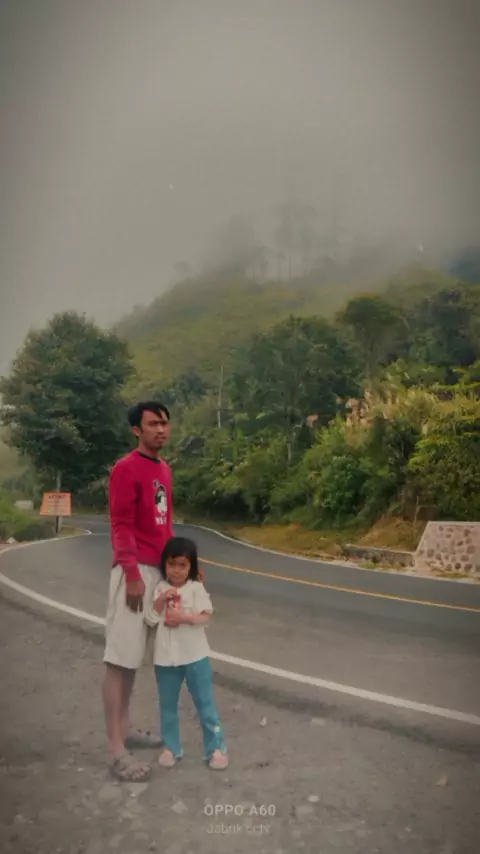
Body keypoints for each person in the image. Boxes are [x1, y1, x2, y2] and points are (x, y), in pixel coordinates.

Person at [102, 400, 174, 782]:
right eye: (153, 424)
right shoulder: (125, 468)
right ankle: (116, 749)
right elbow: (121, 524)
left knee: (135, 660)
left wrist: (181, 569)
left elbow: (165, 526)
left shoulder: (164, 469)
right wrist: (131, 573)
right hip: (134, 573)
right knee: (119, 660)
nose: (161, 429)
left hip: (158, 574)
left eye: (165, 423)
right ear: (136, 430)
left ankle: (126, 729)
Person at [144, 536, 228, 771]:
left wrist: (185, 618)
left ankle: (216, 748)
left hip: (195, 656)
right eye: (172, 564)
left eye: (183, 565)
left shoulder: (196, 588)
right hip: (165, 659)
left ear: (191, 566)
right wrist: (160, 601)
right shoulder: (160, 588)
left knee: (205, 705)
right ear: (164, 564)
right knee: (168, 706)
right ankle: (172, 747)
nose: (177, 570)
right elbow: (150, 620)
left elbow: (206, 617)